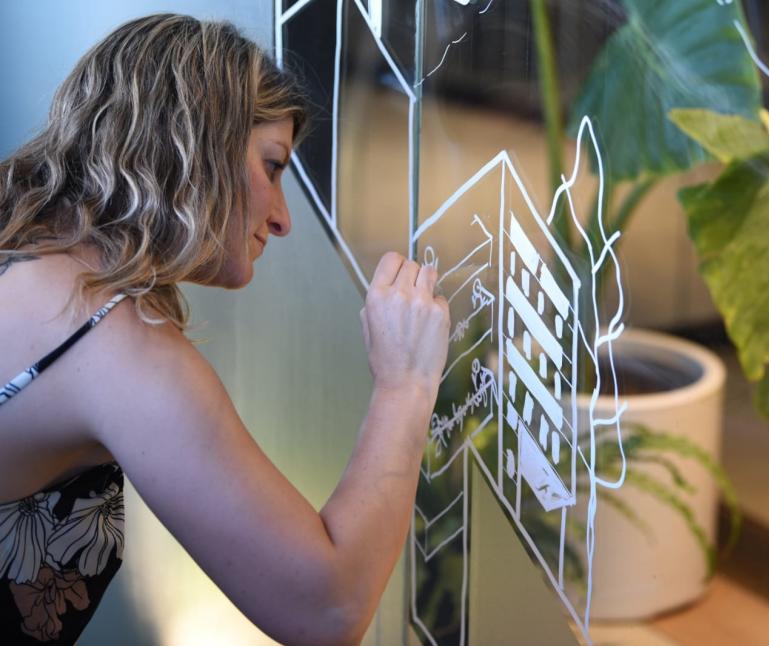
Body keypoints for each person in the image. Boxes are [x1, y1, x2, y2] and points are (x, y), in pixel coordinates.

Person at [0, 13, 449, 645]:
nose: (283, 217)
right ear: (195, 138)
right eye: (272, 166)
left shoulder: (25, 237)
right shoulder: (108, 340)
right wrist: (406, 385)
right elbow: (327, 609)